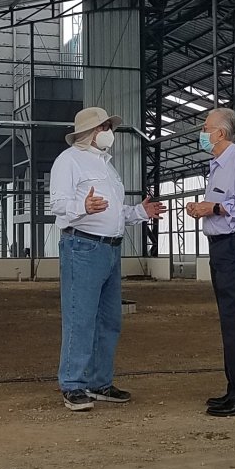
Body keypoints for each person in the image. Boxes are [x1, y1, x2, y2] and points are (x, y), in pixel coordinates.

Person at [51, 106, 166, 411]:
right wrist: (83, 207)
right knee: (80, 318)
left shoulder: (107, 167)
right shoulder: (68, 161)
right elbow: (57, 204)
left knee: (109, 320)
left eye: (109, 127)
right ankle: (73, 384)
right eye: (104, 127)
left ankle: (99, 382)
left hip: (110, 248)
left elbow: (115, 211)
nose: (109, 132)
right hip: (82, 246)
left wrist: (140, 212)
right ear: (90, 132)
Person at [186, 107, 235, 417]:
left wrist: (214, 209)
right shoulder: (218, 166)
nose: (202, 133)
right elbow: (221, 205)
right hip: (223, 247)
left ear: (220, 133)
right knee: (229, 319)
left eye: (205, 127)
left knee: (233, 318)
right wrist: (204, 209)